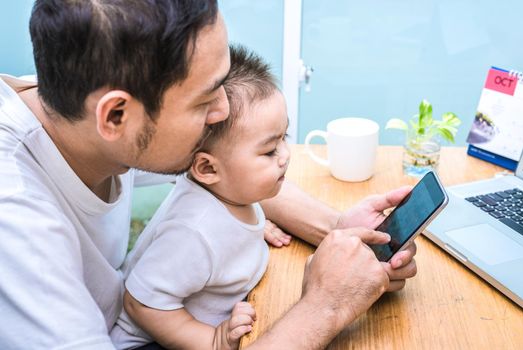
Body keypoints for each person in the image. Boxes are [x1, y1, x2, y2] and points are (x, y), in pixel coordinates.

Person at [0, 1, 416, 349]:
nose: (222, 112)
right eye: (205, 101)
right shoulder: (16, 222)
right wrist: (327, 307)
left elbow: (229, 169)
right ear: (116, 116)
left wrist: (338, 231)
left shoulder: (83, 108)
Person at [110, 45, 293, 350]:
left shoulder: (232, 193)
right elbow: (141, 303)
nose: (285, 156)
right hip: (150, 341)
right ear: (208, 168)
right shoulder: (193, 232)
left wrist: (251, 232)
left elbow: (227, 234)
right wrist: (212, 341)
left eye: (284, 138)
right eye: (270, 150)